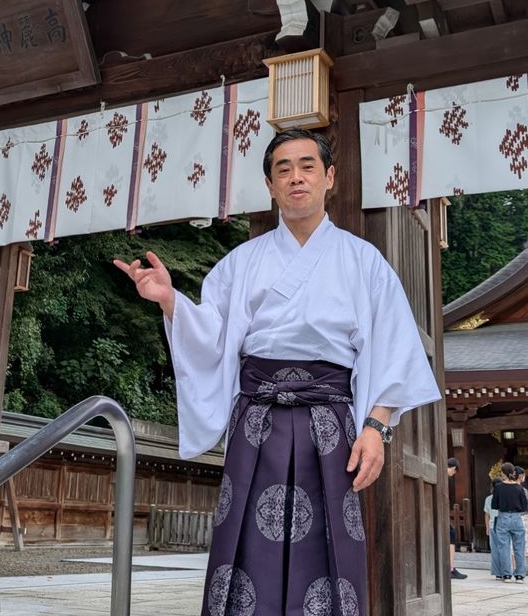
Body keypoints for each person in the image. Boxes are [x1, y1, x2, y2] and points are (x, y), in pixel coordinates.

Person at [115, 128, 441, 615]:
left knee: (332, 546)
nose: (296, 178)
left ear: (329, 176)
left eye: (307, 166)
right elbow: (211, 336)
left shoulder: (364, 261)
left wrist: (375, 426)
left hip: (329, 422)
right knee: (246, 542)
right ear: (270, 185)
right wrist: (170, 300)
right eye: (282, 169)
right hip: (258, 420)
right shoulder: (240, 263)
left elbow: (394, 346)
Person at [492, 463, 528, 582]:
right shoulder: (519, 488)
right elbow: (524, 506)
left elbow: (494, 505)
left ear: (503, 473)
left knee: (503, 547)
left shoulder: (498, 487)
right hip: (517, 517)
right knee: (519, 547)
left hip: (503, 516)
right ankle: (520, 575)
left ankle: (506, 574)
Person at [446, 457, 467, 580]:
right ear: (453, 468)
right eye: (454, 471)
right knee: (451, 535)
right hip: (441, 513)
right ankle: (451, 568)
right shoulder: (445, 478)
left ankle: (450, 567)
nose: (453, 474)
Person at [482, 479, 502, 578]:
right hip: (502, 524)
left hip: (492, 524)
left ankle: (497, 572)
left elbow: (487, 514)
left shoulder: (488, 498)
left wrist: (487, 527)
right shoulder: (503, 498)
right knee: (504, 548)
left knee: (494, 550)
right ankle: (505, 570)